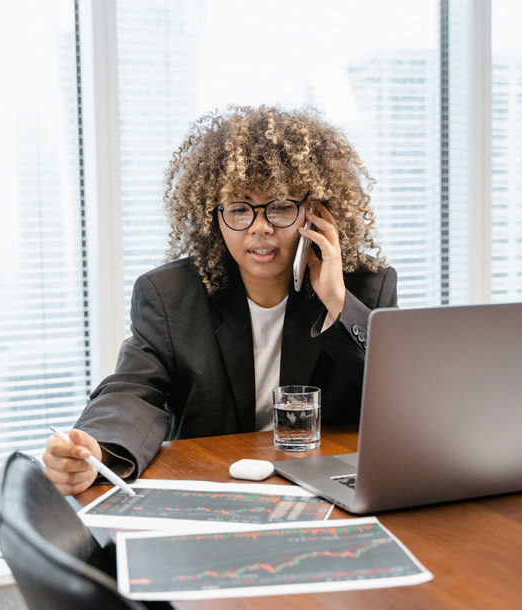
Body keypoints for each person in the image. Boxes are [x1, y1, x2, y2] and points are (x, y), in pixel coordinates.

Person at [43, 105, 397, 496]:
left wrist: (337, 301)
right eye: (240, 209)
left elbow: (404, 402)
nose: (260, 227)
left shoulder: (365, 289)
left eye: (280, 207)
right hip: (216, 488)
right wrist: (99, 447)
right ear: (215, 217)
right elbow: (132, 391)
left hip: (329, 492)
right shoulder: (170, 297)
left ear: (314, 213)